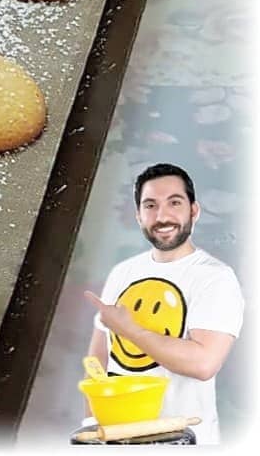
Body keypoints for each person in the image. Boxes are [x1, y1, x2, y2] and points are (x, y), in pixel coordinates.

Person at [84, 163, 244, 444]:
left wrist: (131, 331)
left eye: (174, 203)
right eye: (150, 205)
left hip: (182, 439)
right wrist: (92, 424)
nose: (162, 216)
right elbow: (98, 358)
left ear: (194, 210)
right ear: (138, 215)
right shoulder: (123, 272)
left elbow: (203, 363)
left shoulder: (215, 277)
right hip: (119, 437)